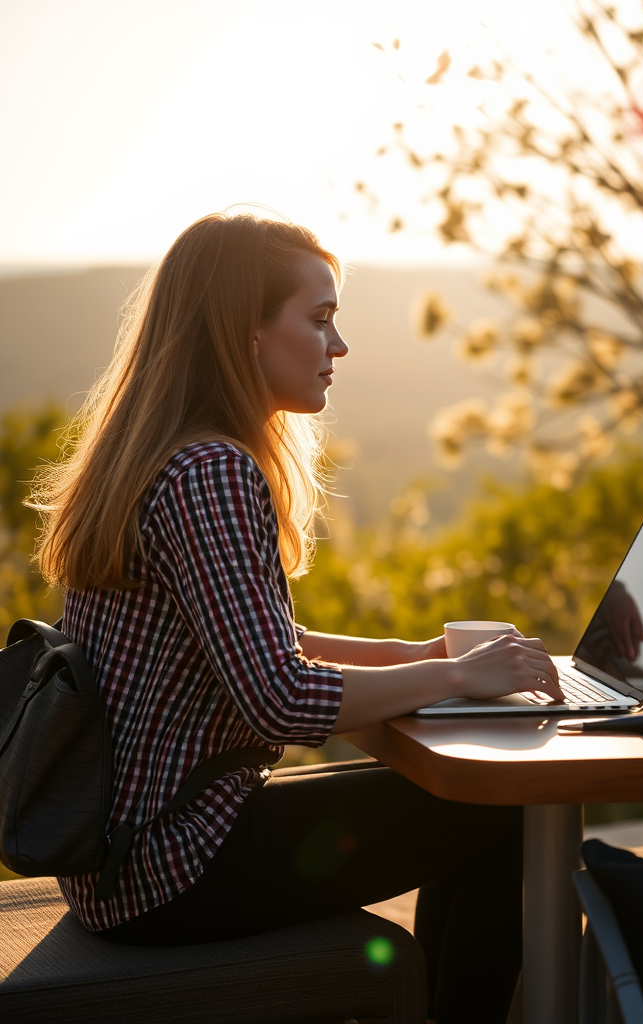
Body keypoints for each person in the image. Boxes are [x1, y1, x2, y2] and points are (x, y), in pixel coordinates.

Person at [30, 210, 562, 1024]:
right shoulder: (210, 471)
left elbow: (264, 645)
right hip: (174, 866)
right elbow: (278, 695)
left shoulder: (167, 456)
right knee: (512, 810)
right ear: (246, 333)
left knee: (479, 808)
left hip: (129, 858)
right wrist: (456, 674)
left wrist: (410, 653)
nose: (339, 347)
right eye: (319, 320)